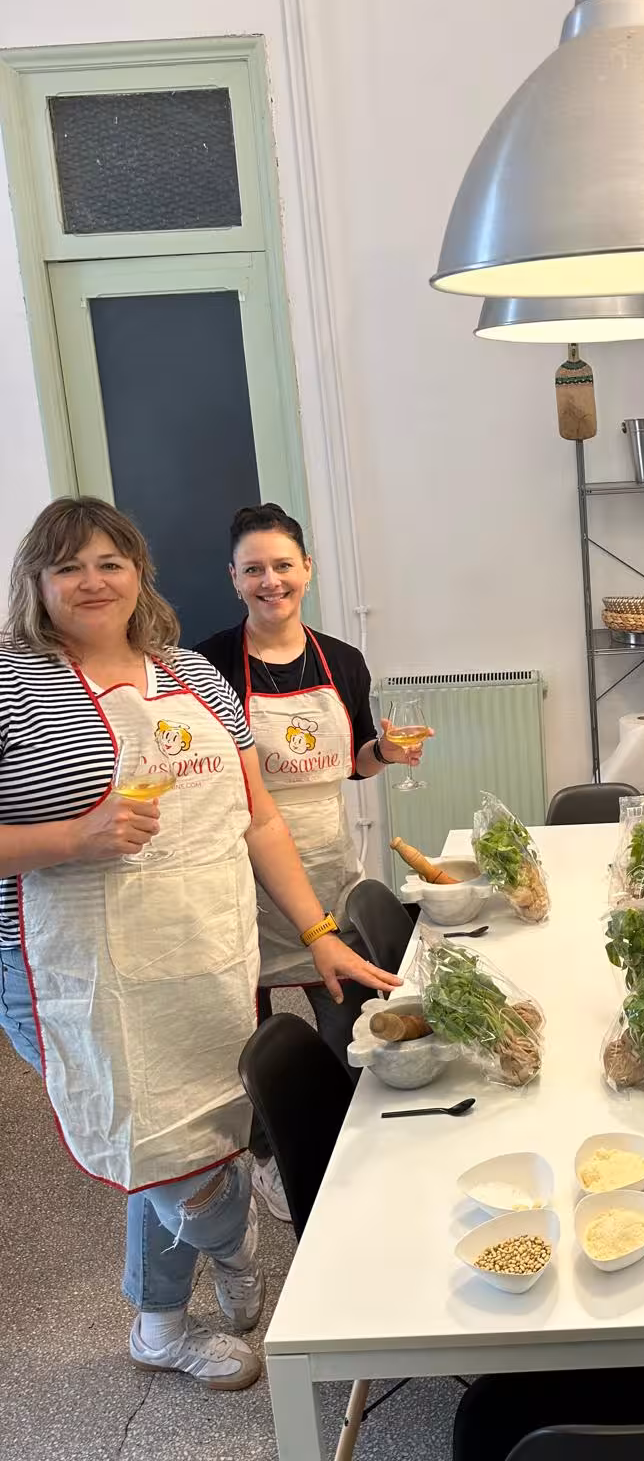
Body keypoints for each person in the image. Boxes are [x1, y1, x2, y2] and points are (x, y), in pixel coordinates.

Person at [0, 497, 398, 1391]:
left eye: (110, 562)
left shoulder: (190, 676)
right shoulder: (11, 685)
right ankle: (225, 1239)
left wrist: (320, 932)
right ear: (36, 581)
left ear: (139, 572)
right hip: (74, 972)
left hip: (204, 953)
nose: (92, 581)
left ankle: (159, 1322)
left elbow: (258, 820)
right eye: (68, 566)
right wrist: (74, 837)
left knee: (200, 1129)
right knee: (165, 1145)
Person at [197, 502, 425, 1222]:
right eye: (255, 569)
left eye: (283, 566)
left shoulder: (342, 661)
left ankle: (361, 1149)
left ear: (308, 571)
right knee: (249, 1029)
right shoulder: (209, 666)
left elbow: (355, 764)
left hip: (328, 862)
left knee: (348, 1022)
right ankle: (270, 1156)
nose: (272, 581)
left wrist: (384, 754)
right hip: (243, 873)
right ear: (234, 579)